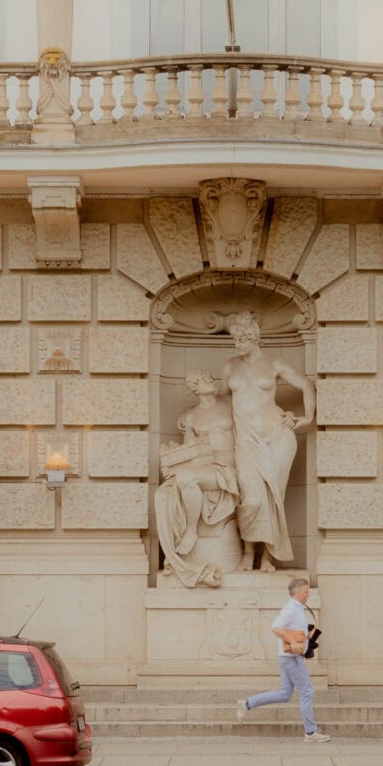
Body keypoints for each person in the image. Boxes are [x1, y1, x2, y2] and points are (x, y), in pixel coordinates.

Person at [220, 312, 315, 572]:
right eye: (235, 339)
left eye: (241, 339)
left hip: (276, 437)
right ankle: (248, 553)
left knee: (274, 497)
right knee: (250, 498)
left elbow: (307, 385)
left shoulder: (273, 363)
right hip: (245, 440)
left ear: (253, 338)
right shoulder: (230, 366)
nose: (237, 343)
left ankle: (268, 558)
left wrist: (305, 418)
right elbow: (221, 402)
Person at [155, 369, 240, 588]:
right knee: (164, 493)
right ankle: (181, 548)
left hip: (227, 469)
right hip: (204, 468)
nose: (210, 381)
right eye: (202, 380)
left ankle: (190, 531)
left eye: (210, 377)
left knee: (187, 479)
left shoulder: (231, 405)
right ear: (194, 388)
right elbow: (189, 450)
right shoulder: (191, 416)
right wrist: (174, 459)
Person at [236, 577, 329, 741]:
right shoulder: (291, 609)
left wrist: (306, 641)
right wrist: (292, 641)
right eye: (307, 591)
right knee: (307, 691)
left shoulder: (298, 609)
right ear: (299, 592)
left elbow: (290, 630)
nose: (308, 594)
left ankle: (247, 704)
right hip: (291, 659)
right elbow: (276, 627)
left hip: (290, 657)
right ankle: (310, 732)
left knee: (285, 693)